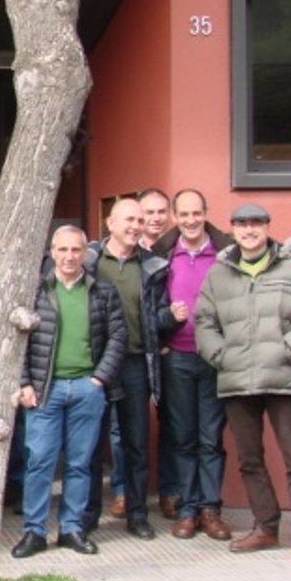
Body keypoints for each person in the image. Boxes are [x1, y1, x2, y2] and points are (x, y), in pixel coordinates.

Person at [195, 203, 291, 562]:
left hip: (285, 377)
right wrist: (221, 356)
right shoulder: (218, 274)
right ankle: (266, 527)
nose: (249, 230)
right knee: (250, 459)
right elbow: (204, 322)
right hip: (237, 379)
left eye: (256, 224)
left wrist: (289, 350)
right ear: (233, 229)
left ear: (268, 227)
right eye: (242, 224)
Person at [12, 226, 126, 559]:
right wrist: (24, 382)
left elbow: (118, 337)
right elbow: (18, 342)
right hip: (45, 390)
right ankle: (34, 531)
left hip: (87, 388)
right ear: (52, 253)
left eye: (76, 250)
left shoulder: (102, 290)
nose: (69, 256)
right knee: (40, 462)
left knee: (80, 462)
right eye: (62, 250)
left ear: (85, 253)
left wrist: (99, 379)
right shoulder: (36, 291)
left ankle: (71, 528)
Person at [82, 197, 176, 539]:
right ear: (110, 224)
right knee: (91, 444)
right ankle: (89, 514)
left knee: (136, 443)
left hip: (135, 362)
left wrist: (171, 318)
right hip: (95, 363)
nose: (136, 226)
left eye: (139, 220)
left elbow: (159, 313)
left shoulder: (153, 266)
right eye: (129, 220)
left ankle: (137, 514)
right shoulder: (89, 260)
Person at [150, 189, 234, 540]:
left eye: (196, 213)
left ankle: (210, 509)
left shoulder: (226, 253)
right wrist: (166, 322)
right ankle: (187, 508)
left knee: (210, 438)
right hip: (177, 357)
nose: (190, 220)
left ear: (205, 213)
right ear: (175, 216)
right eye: (183, 214)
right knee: (183, 438)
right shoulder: (161, 255)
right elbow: (149, 308)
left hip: (215, 358)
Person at [138, 186, 179, 516]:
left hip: (171, 350)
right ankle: (125, 493)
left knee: (173, 424)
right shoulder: (123, 251)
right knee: (125, 428)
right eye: (148, 212)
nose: (155, 218)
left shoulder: (177, 252)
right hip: (134, 352)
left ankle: (171, 491)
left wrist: (166, 339)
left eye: (161, 212)